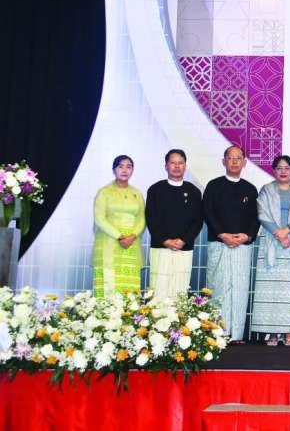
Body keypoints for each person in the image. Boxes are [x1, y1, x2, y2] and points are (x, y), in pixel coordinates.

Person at [202, 145, 260, 343]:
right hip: (220, 243)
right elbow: (207, 212)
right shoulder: (213, 186)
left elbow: (256, 217)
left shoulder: (250, 189)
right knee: (219, 287)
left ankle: (236, 335)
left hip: (242, 246)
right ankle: (218, 333)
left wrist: (247, 236)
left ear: (244, 162)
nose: (234, 161)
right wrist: (222, 234)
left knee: (240, 288)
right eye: (230, 157)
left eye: (238, 158)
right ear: (223, 161)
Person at [252, 155, 290, 346]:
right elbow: (262, 214)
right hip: (271, 241)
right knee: (270, 291)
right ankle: (273, 333)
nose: (283, 172)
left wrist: (287, 231)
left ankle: (289, 332)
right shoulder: (266, 190)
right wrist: (278, 233)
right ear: (274, 170)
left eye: (287, 168)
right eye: (279, 168)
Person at [145, 149, 203, 299]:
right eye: (173, 163)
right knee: (158, 292)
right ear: (166, 166)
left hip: (184, 248)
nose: (177, 166)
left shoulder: (194, 191)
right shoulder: (155, 189)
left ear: (185, 166)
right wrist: (165, 240)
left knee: (180, 292)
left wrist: (183, 240)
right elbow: (151, 219)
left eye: (180, 163)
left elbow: (197, 221)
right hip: (160, 247)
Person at [93, 155, 146, 297]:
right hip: (109, 242)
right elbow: (99, 219)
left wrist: (132, 236)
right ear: (113, 170)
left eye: (129, 167)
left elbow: (142, 218)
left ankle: (128, 311)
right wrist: (120, 237)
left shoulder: (137, 193)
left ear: (132, 170)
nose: (124, 170)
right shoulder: (104, 192)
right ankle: (106, 311)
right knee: (108, 282)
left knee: (129, 287)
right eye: (120, 166)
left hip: (131, 244)